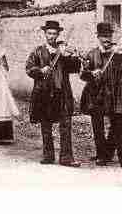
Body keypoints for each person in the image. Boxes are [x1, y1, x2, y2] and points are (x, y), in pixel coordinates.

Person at [25, 20, 81, 167]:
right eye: (49, 33)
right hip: (44, 93)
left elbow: (74, 68)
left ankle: (66, 158)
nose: (52, 36)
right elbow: (29, 69)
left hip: (61, 93)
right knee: (46, 125)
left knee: (65, 124)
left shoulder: (63, 50)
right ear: (45, 34)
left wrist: (71, 56)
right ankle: (48, 156)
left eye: (54, 34)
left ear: (58, 34)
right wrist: (40, 70)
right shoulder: (37, 51)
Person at [80, 22, 122, 168]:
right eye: (104, 36)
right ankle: (101, 156)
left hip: (113, 94)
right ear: (98, 37)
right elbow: (83, 74)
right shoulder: (91, 54)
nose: (107, 39)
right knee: (98, 127)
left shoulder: (117, 52)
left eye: (109, 36)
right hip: (95, 94)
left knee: (117, 126)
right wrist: (91, 73)